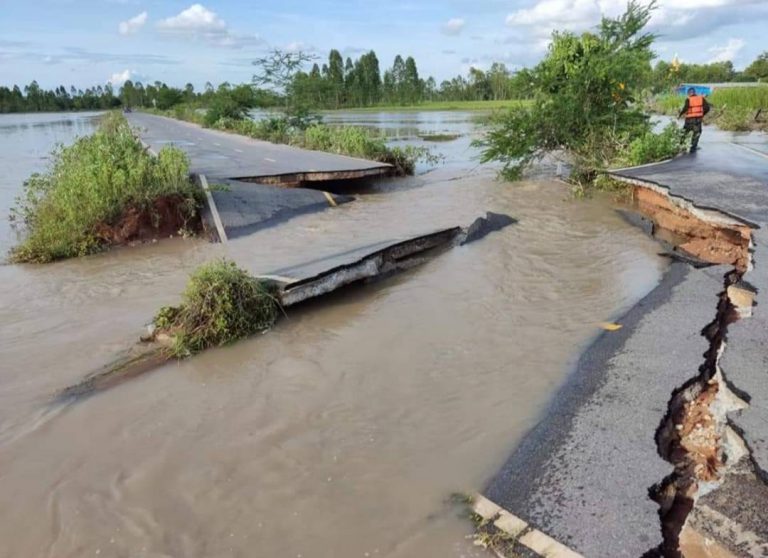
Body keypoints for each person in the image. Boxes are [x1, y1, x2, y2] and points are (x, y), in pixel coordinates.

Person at [678, 87, 711, 153]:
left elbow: (685, 108)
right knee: (696, 133)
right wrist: (702, 114)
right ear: (695, 92)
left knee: (684, 133)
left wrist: (680, 115)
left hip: (689, 120)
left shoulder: (688, 99)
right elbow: (707, 108)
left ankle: (680, 145)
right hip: (698, 120)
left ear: (689, 93)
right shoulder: (701, 98)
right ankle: (693, 148)